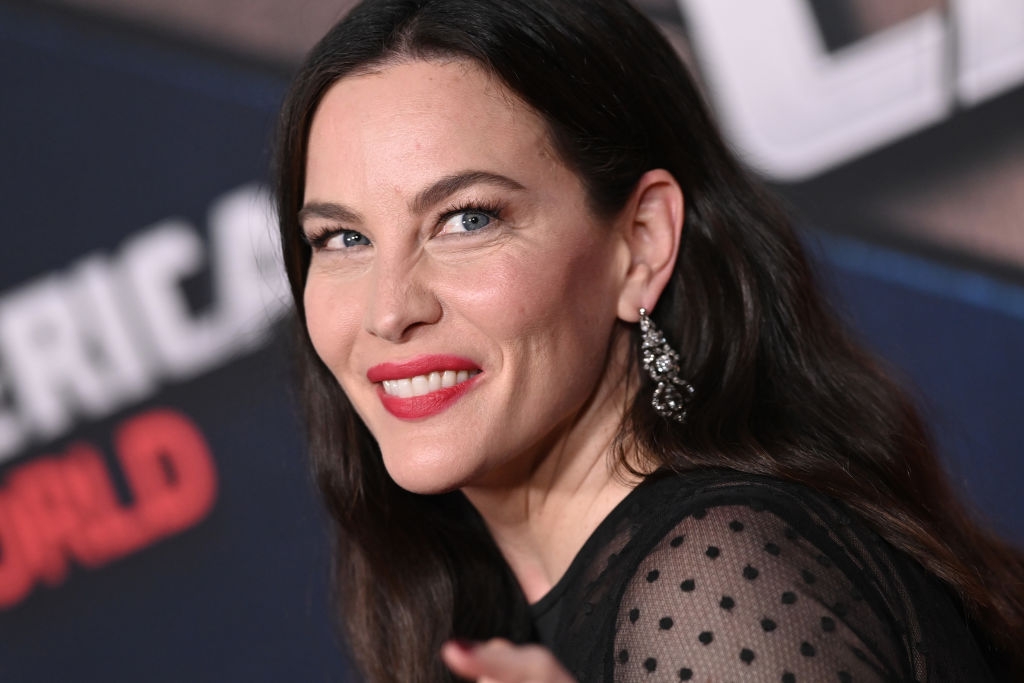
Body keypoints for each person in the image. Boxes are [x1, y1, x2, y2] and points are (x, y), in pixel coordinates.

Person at [273, 0, 1024, 680]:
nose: (389, 309)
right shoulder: (498, 608)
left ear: (640, 242)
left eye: (468, 218)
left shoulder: (715, 581)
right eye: (341, 238)